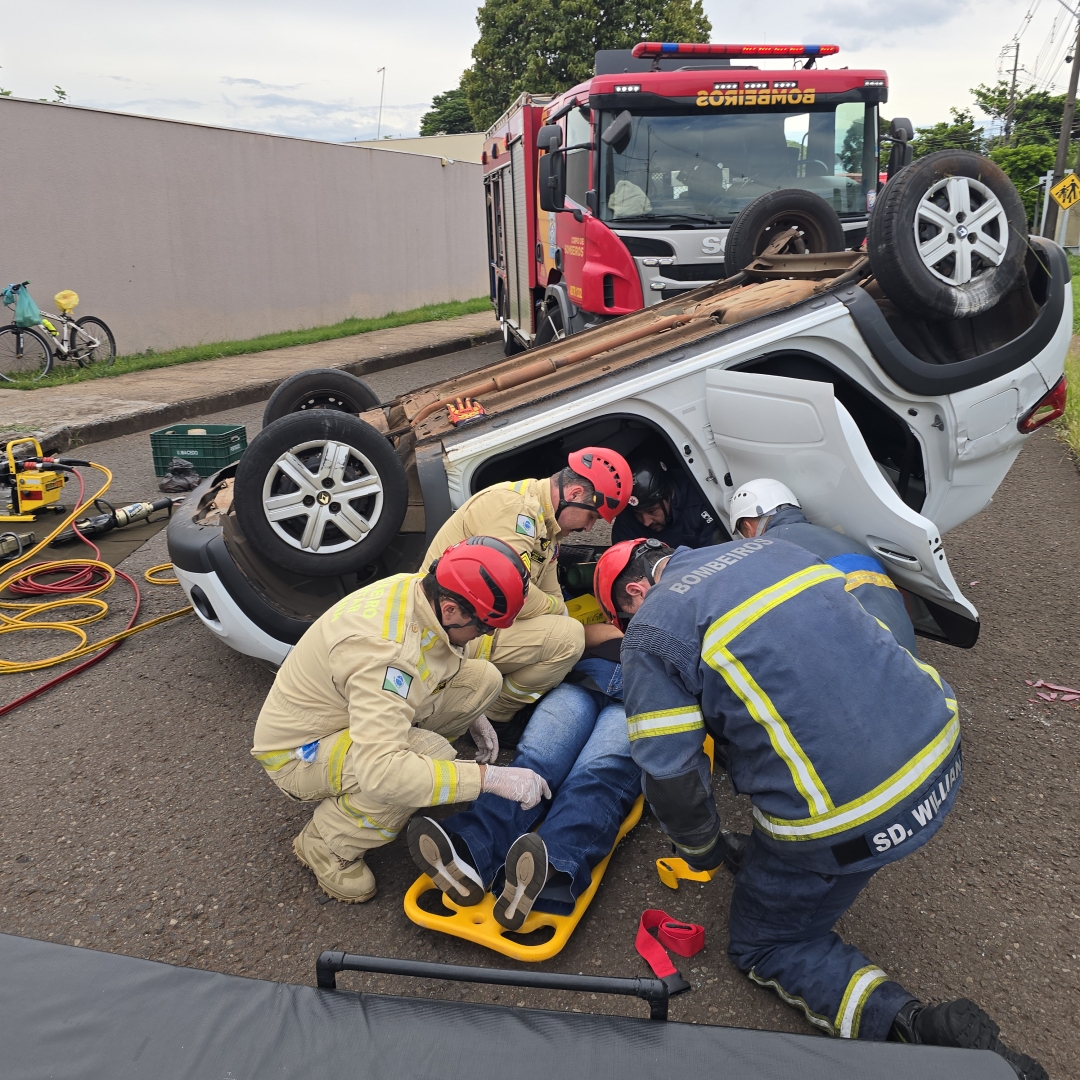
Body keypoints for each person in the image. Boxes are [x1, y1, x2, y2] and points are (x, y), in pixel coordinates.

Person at [594, 537, 1047, 1080]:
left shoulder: (652, 629)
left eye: (621, 618)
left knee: (767, 943)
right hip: (939, 749)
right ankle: (778, 859)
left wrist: (704, 849)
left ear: (636, 593)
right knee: (785, 804)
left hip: (855, 816)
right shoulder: (773, 551)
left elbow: (670, 774)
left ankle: (916, 1028)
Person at [252, 537, 552, 904]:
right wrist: (490, 779)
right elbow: (383, 772)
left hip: (349, 715)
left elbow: (429, 663)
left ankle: (416, 772)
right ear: (452, 609)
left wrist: (474, 717)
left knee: (482, 680)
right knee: (422, 759)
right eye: (485, 626)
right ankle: (327, 845)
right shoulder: (385, 652)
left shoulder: (419, 594)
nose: (488, 634)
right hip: (298, 752)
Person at [407, 619, 638, 931]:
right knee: (533, 765)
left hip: (644, 695)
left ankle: (548, 868)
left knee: (596, 776)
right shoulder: (615, 622)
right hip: (581, 683)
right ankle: (469, 853)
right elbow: (581, 633)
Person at [422, 448, 631, 725]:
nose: (591, 529)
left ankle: (495, 703)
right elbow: (506, 591)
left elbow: (551, 593)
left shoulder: (544, 524)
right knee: (567, 640)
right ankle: (496, 713)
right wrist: (560, 616)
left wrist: (559, 614)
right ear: (576, 493)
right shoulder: (517, 512)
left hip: (470, 619)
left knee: (565, 632)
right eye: (592, 517)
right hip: (449, 627)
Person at [728, 478, 917, 654]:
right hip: (907, 651)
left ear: (748, 526)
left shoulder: (768, 550)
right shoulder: (843, 539)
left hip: (864, 653)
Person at [611, 455, 721, 550]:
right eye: (638, 514)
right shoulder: (627, 519)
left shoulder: (701, 505)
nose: (646, 522)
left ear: (669, 494)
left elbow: (717, 558)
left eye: (652, 511)